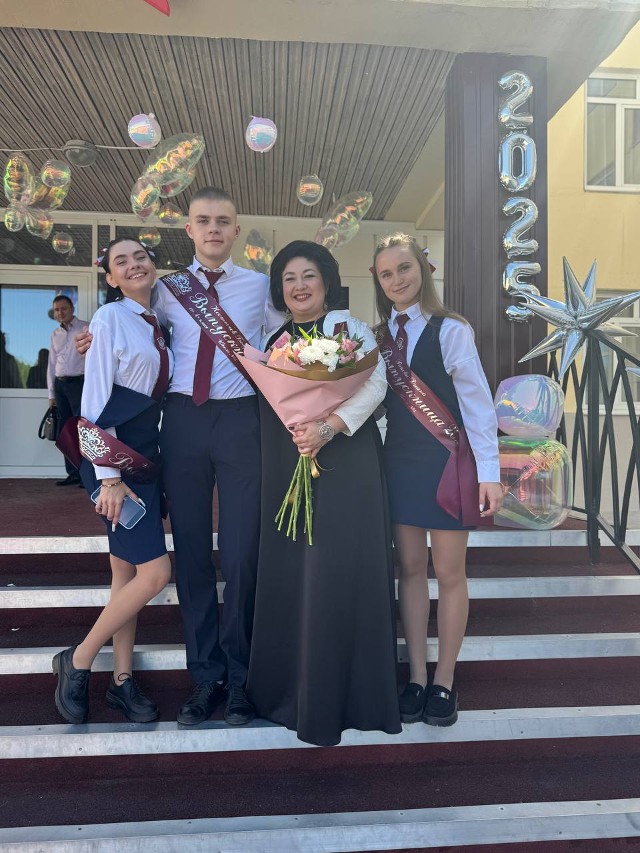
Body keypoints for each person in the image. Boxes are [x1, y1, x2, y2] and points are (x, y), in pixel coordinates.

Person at [77, 187, 280, 727]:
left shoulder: (260, 287)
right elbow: (131, 329)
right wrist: (89, 340)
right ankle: (205, 677)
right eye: (203, 221)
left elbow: (293, 335)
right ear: (188, 230)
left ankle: (241, 678)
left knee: (241, 553)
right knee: (190, 554)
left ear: (236, 231)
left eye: (223, 221)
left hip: (241, 423)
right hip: (183, 424)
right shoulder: (165, 289)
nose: (213, 229)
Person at [246, 240, 402, 746]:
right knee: (297, 571)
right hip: (290, 462)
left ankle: (351, 696)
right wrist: (303, 433)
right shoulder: (273, 342)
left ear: (327, 281)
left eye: (308, 275)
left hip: (347, 465)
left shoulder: (349, 330)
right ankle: (291, 691)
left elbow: (375, 384)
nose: (299, 286)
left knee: (339, 569)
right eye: (289, 278)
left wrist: (328, 427)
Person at [372, 233, 503, 727]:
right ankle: (416, 676)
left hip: (448, 462)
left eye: (404, 268)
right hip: (399, 463)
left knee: (449, 573)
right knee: (409, 570)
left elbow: (477, 403)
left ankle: (444, 680)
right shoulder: (377, 337)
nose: (397, 280)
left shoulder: (452, 329)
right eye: (386, 274)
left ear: (423, 271)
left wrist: (489, 473)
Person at [52, 239, 173, 725]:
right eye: (121, 262)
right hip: (114, 459)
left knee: (126, 574)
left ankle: (122, 682)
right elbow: (95, 400)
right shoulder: (109, 318)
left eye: (140, 257)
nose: (133, 265)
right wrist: (109, 478)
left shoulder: (159, 319)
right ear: (111, 279)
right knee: (155, 574)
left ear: (153, 264)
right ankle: (78, 659)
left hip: (146, 458)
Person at [47, 294, 89, 485]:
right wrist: (51, 394)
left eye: (63, 308)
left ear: (72, 309)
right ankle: (73, 473)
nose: (60, 313)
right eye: (56, 310)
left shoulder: (85, 328)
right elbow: (51, 364)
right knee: (65, 430)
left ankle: (87, 475)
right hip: (61, 386)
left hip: (79, 384)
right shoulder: (55, 334)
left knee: (83, 429)